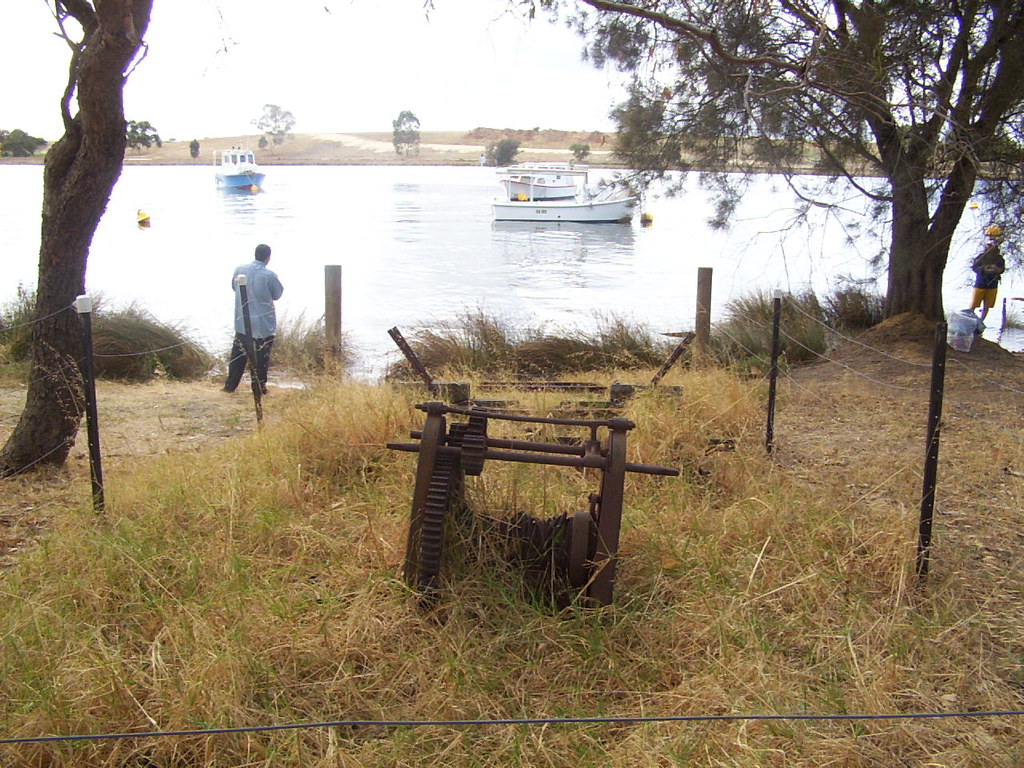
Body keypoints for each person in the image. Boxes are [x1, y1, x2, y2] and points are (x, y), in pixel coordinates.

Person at [223, 243, 284, 394]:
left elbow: (234, 287)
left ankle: (230, 386)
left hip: (242, 321)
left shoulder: (239, 270)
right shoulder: (270, 275)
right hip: (263, 324)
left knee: (238, 355)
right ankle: (259, 387)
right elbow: (277, 294)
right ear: (268, 258)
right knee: (262, 357)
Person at [967, 224, 1006, 326]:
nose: (990, 247)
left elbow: (1002, 270)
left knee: (987, 306)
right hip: (980, 283)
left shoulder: (999, 259)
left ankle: (980, 323)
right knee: (973, 305)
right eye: (988, 245)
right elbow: (974, 267)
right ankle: (969, 321)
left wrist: (996, 269)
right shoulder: (981, 257)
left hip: (992, 285)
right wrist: (984, 269)